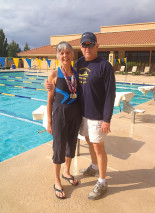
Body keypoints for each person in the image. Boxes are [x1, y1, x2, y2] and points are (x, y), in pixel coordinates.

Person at [45, 32, 116, 200]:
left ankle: (101, 181)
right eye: (84, 45)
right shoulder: (75, 65)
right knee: (81, 144)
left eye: (90, 44)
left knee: (92, 146)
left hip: (92, 116)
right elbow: (53, 93)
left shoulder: (101, 66)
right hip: (77, 114)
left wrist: (107, 119)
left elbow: (110, 94)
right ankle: (87, 169)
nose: (87, 48)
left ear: (96, 45)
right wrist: (49, 119)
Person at [47, 41, 81, 199]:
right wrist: (49, 122)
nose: (65, 55)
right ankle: (56, 180)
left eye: (68, 52)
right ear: (58, 56)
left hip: (75, 115)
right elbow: (49, 100)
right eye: (62, 53)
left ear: (72, 55)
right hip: (60, 116)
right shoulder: (54, 75)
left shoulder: (76, 73)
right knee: (58, 147)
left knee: (71, 145)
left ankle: (66, 172)